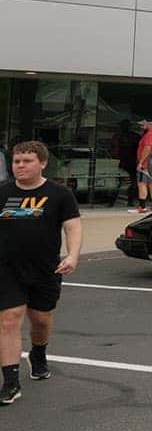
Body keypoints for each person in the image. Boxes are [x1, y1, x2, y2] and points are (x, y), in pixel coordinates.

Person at [1, 141, 83, 406]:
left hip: (45, 269)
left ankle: (38, 354)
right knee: (9, 321)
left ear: (43, 163)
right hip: (7, 268)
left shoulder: (59, 194)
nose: (20, 166)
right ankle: (11, 383)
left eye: (27, 161)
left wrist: (72, 255)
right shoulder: (2, 193)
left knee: (40, 319)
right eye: (16, 161)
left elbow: (73, 227)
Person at [135, 120, 152, 213]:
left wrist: (141, 162)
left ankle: (142, 206)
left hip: (145, 164)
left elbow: (147, 148)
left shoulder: (149, 135)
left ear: (149, 125)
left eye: (143, 125)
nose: (142, 127)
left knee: (142, 184)